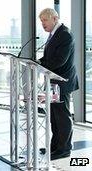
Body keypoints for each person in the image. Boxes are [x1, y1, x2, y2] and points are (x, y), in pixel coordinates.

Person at [38, 8, 79, 160]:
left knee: (62, 116)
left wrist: (41, 65)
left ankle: (64, 149)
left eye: (45, 20)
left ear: (55, 18)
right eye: (41, 21)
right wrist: (38, 62)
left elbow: (59, 60)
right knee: (54, 117)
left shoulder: (65, 34)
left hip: (63, 83)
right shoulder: (54, 34)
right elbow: (49, 57)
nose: (43, 24)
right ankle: (55, 146)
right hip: (54, 82)